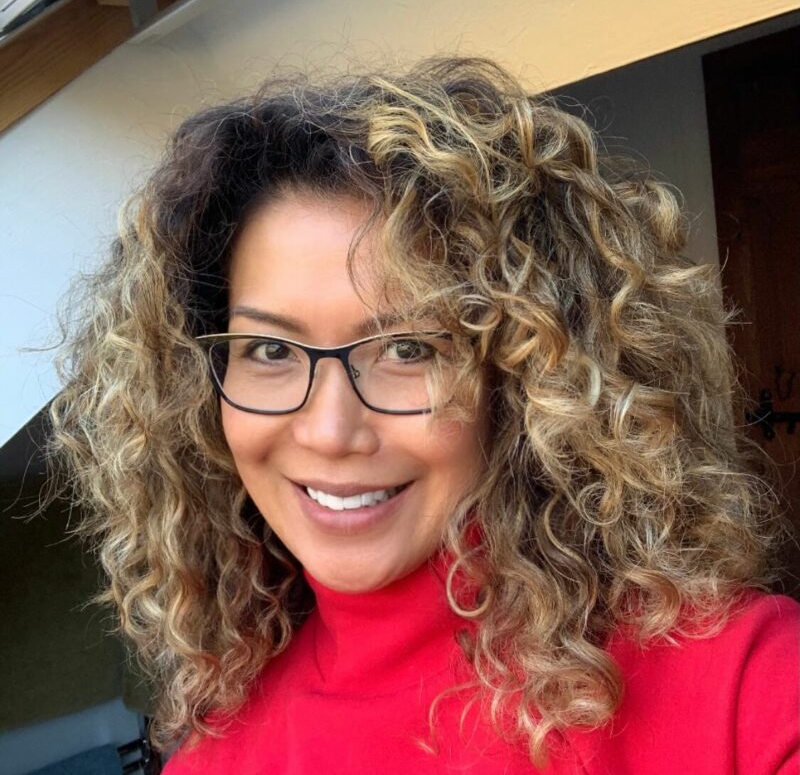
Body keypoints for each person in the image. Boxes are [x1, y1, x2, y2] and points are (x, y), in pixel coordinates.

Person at [48, 57, 799, 774]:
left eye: (408, 347)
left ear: (525, 371)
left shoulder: (745, 690)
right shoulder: (215, 755)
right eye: (271, 351)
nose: (329, 432)